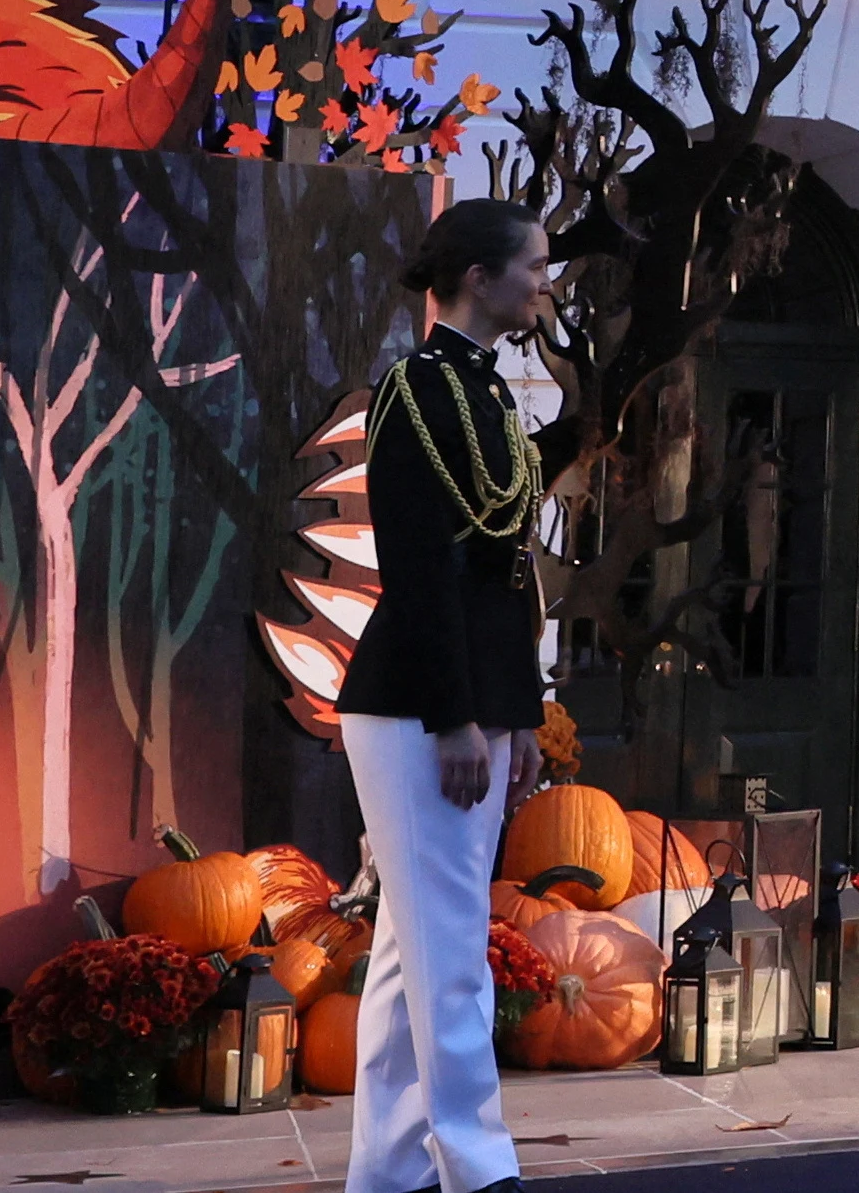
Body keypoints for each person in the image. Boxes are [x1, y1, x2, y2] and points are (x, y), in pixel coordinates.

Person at [336, 197, 559, 1193]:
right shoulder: (418, 388)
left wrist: (518, 709)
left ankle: (387, 1169)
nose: (546, 281)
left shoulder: (486, 390)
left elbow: (502, 565)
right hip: (417, 702)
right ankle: (476, 1163)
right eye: (535, 266)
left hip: (468, 694)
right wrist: (456, 714)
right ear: (478, 275)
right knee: (451, 942)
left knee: (409, 944)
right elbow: (421, 564)